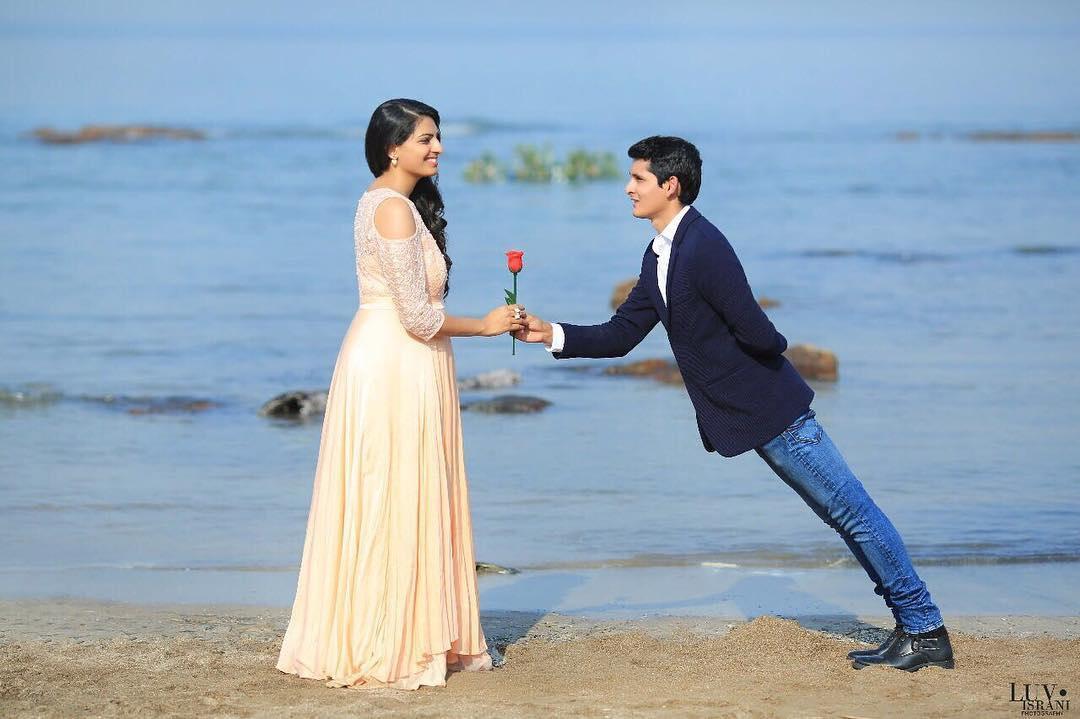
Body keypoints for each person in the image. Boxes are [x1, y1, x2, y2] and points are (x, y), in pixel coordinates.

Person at [516, 135, 954, 672]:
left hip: (778, 411)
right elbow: (621, 334)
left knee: (851, 512)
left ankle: (925, 628)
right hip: (758, 415)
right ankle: (913, 627)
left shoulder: (704, 246)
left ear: (669, 186)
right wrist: (548, 334)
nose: (627, 188)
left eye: (638, 179)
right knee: (842, 515)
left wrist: (752, 364)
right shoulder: (660, 254)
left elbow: (758, 331)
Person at [276, 98, 525, 689]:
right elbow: (417, 315)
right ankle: (391, 638)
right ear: (393, 147)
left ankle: (402, 627)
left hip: (397, 357)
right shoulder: (392, 211)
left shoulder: (388, 204)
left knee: (392, 489)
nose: (436, 147)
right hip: (395, 362)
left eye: (438, 138)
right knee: (395, 489)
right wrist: (488, 326)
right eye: (424, 139)